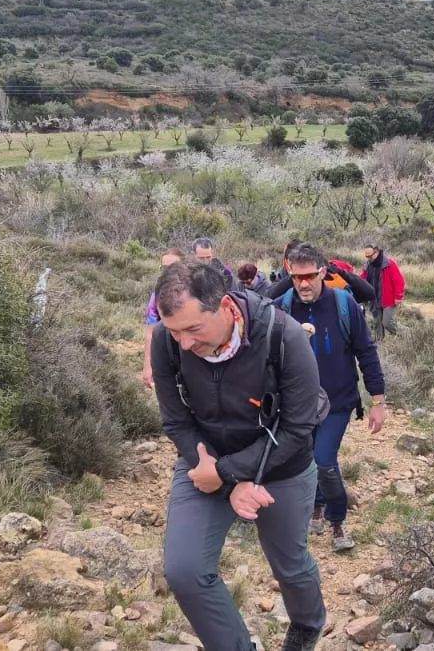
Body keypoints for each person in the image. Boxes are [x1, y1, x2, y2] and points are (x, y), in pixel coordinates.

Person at [149, 261, 329, 651]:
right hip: (205, 462)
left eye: (194, 329)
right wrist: (218, 474)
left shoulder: (284, 336)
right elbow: (176, 422)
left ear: (227, 306)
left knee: (290, 564)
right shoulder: (167, 342)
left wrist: (231, 472)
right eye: (174, 330)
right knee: (185, 571)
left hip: (281, 464)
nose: (184, 343)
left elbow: (297, 428)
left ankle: (307, 622)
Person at [275, 244, 387, 554]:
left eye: (310, 275)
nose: (304, 284)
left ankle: (337, 519)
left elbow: (365, 350)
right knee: (306, 458)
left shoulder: (343, 303)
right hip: (297, 403)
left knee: (324, 460)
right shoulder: (282, 308)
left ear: (324, 272)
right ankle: (316, 505)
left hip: (338, 400)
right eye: (297, 278)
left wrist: (378, 400)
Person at [265, 239, 375, 304]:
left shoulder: (335, 285)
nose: (304, 283)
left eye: (310, 276)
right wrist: (293, 278)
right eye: (298, 276)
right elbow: (267, 298)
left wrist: (341, 272)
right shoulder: (284, 283)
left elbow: (369, 293)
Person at [141, 248, 187, 390]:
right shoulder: (157, 296)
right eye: (164, 267)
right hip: (168, 353)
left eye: (173, 267)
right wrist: (148, 366)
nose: (168, 271)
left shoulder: (196, 290)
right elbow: (150, 333)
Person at [360, 244, 405, 341]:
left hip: (389, 299)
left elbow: (398, 280)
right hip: (374, 299)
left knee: (387, 323)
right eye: (366, 257)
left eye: (370, 256)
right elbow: (362, 280)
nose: (369, 258)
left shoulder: (389, 263)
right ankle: (380, 345)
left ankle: (406, 335)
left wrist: (398, 296)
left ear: (376, 252)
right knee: (377, 324)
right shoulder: (367, 265)